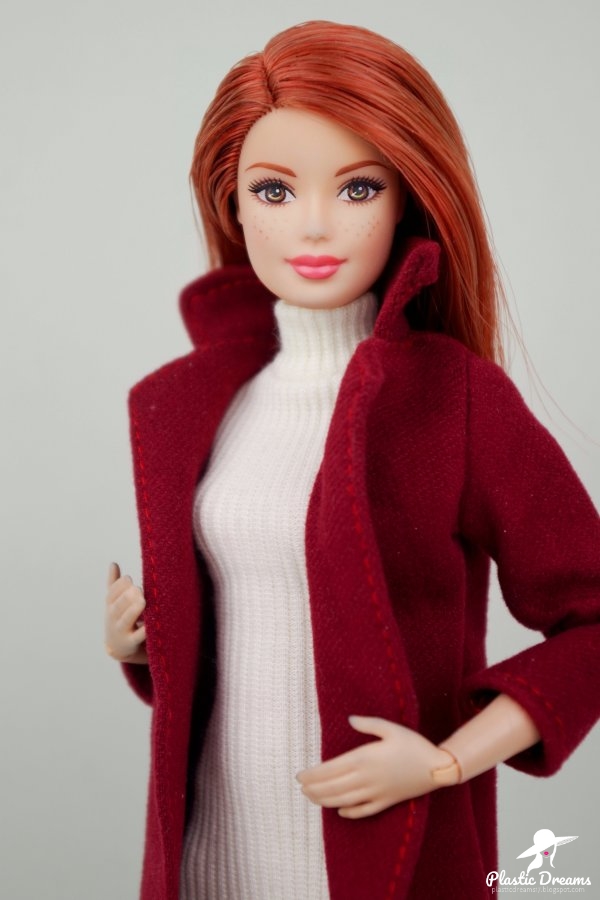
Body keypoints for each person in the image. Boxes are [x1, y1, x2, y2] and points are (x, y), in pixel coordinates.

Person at [104, 20, 600, 900]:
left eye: (358, 187)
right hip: (211, 851)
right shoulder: (200, 400)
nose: (316, 224)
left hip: (386, 856)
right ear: (232, 204)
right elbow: (245, 633)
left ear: (407, 198)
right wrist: (140, 643)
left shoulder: (451, 398)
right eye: (274, 190)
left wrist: (446, 762)